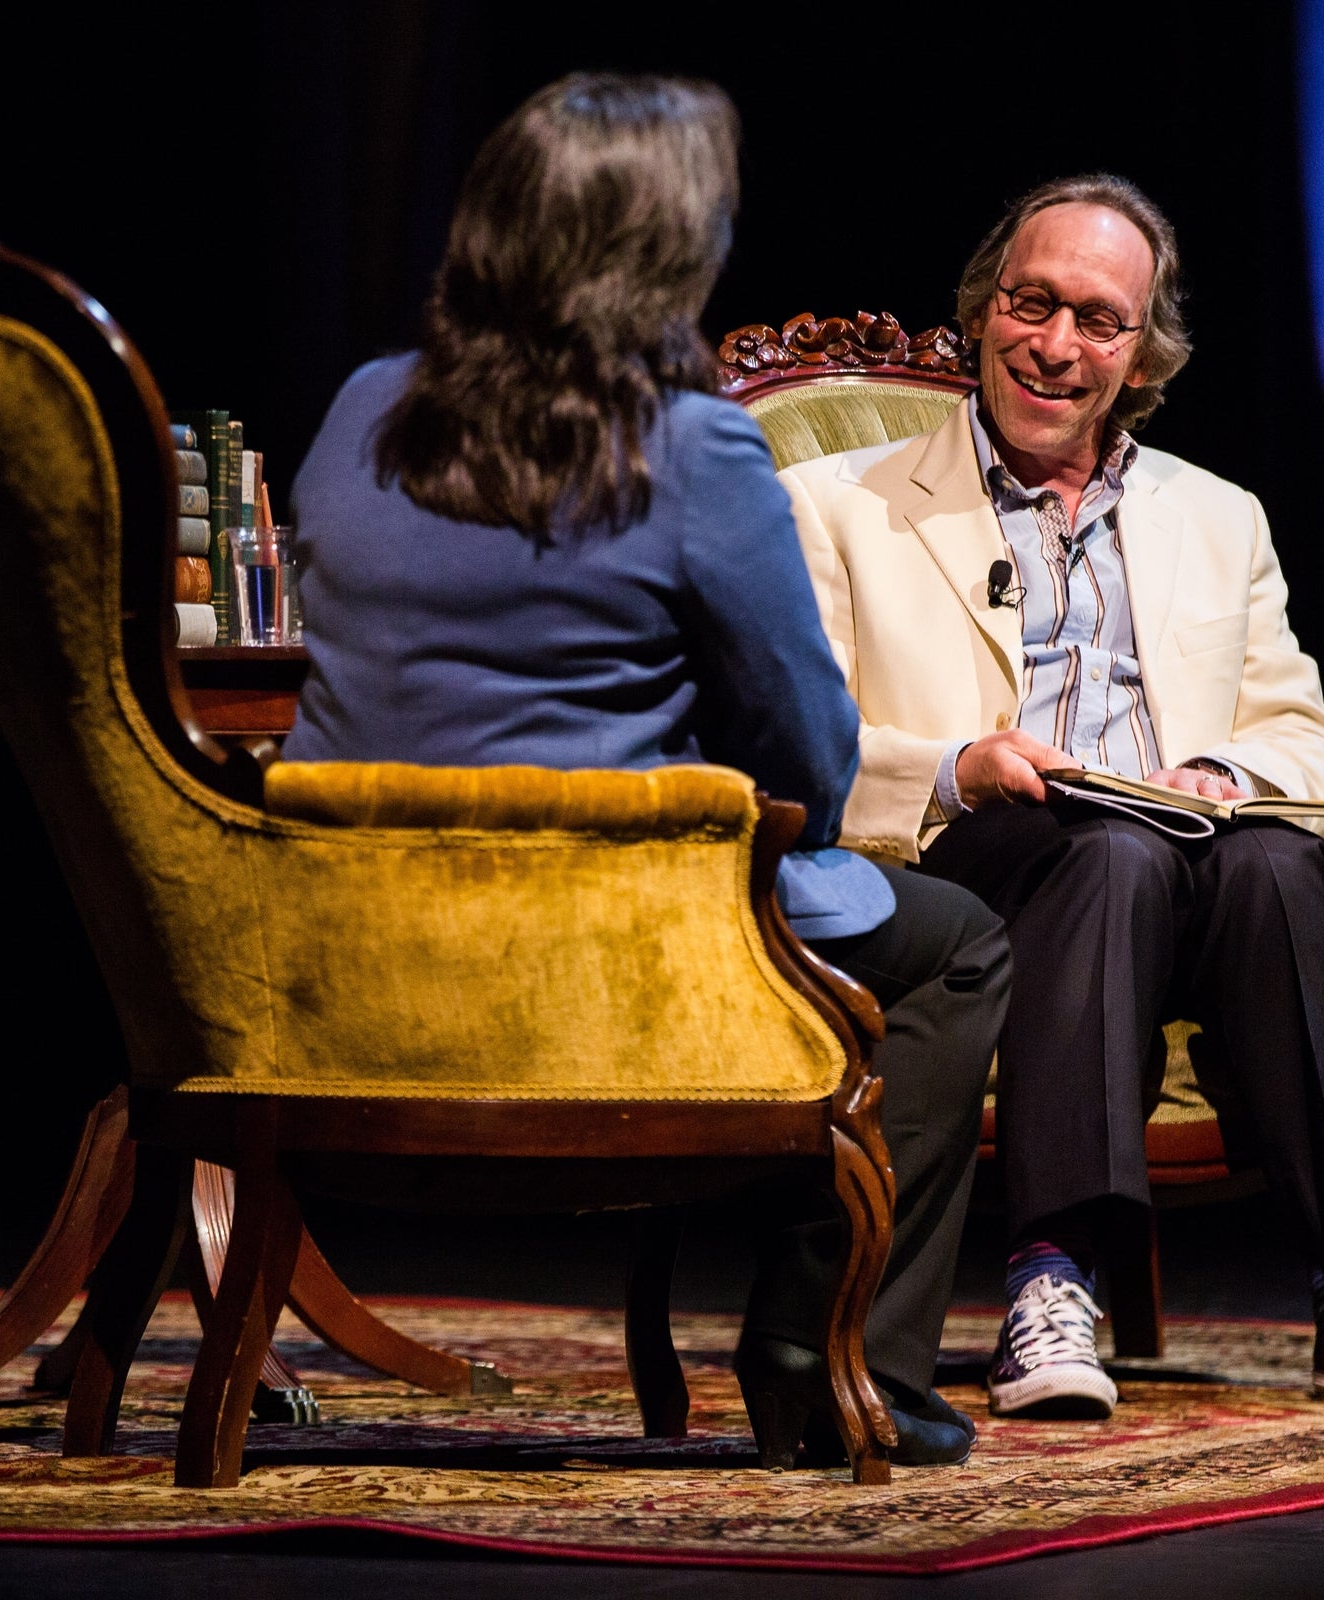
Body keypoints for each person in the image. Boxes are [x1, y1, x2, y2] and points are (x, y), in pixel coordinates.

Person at [282, 74, 1011, 1467]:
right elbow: (811, 753)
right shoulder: (689, 449)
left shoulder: (362, 409)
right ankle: (826, 1350)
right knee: (959, 942)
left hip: (359, 962)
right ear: (669, 254)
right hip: (614, 966)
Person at [778, 174, 1324, 1420]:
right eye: (1031, 303)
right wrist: (962, 762)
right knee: (1103, 852)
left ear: (1140, 353)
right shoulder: (842, 505)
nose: (1055, 345)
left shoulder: (1220, 519)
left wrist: (1227, 777)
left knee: (1275, 861)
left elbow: (1305, 737)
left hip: (1193, 875)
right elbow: (805, 741)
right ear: (984, 311)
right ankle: (1053, 1282)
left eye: (1096, 321)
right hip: (978, 876)